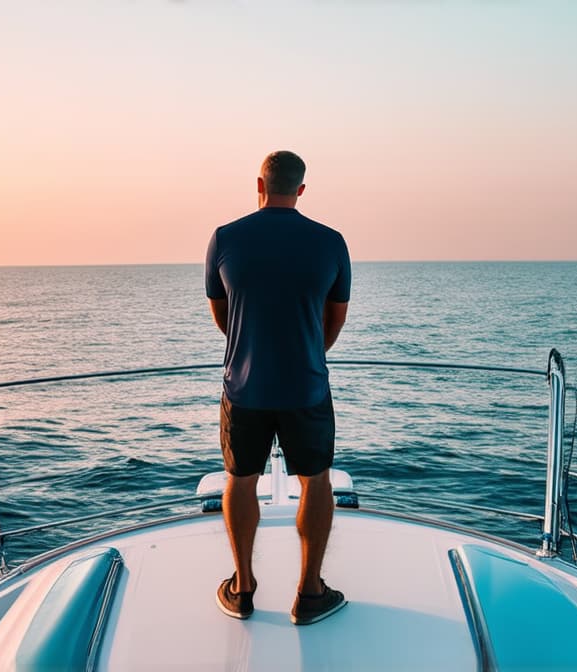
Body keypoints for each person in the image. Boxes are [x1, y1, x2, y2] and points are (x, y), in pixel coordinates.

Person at [204, 150, 351, 625]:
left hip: (244, 388)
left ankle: (243, 588)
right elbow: (334, 321)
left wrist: (252, 347)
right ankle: (310, 595)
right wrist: (305, 351)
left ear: (259, 185)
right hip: (306, 386)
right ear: (301, 190)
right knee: (317, 482)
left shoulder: (225, 238)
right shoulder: (331, 242)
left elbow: (221, 315)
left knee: (240, 481)